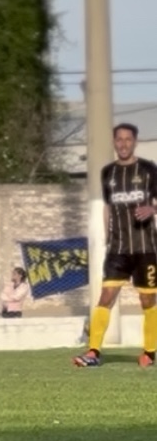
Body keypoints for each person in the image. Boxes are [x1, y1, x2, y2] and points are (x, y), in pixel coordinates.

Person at [73, 123, 157, 368]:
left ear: (135, 142)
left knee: (148, 300)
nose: (123, 144)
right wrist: (107, 238)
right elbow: (108, 207)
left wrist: (152, 209)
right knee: (106, 296)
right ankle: (93, 352)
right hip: (118, 250)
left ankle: (150, 352)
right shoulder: (108, 172)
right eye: (119, 139)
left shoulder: (149, 169)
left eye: (128, 139)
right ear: (114, 142)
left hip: (146, 248)